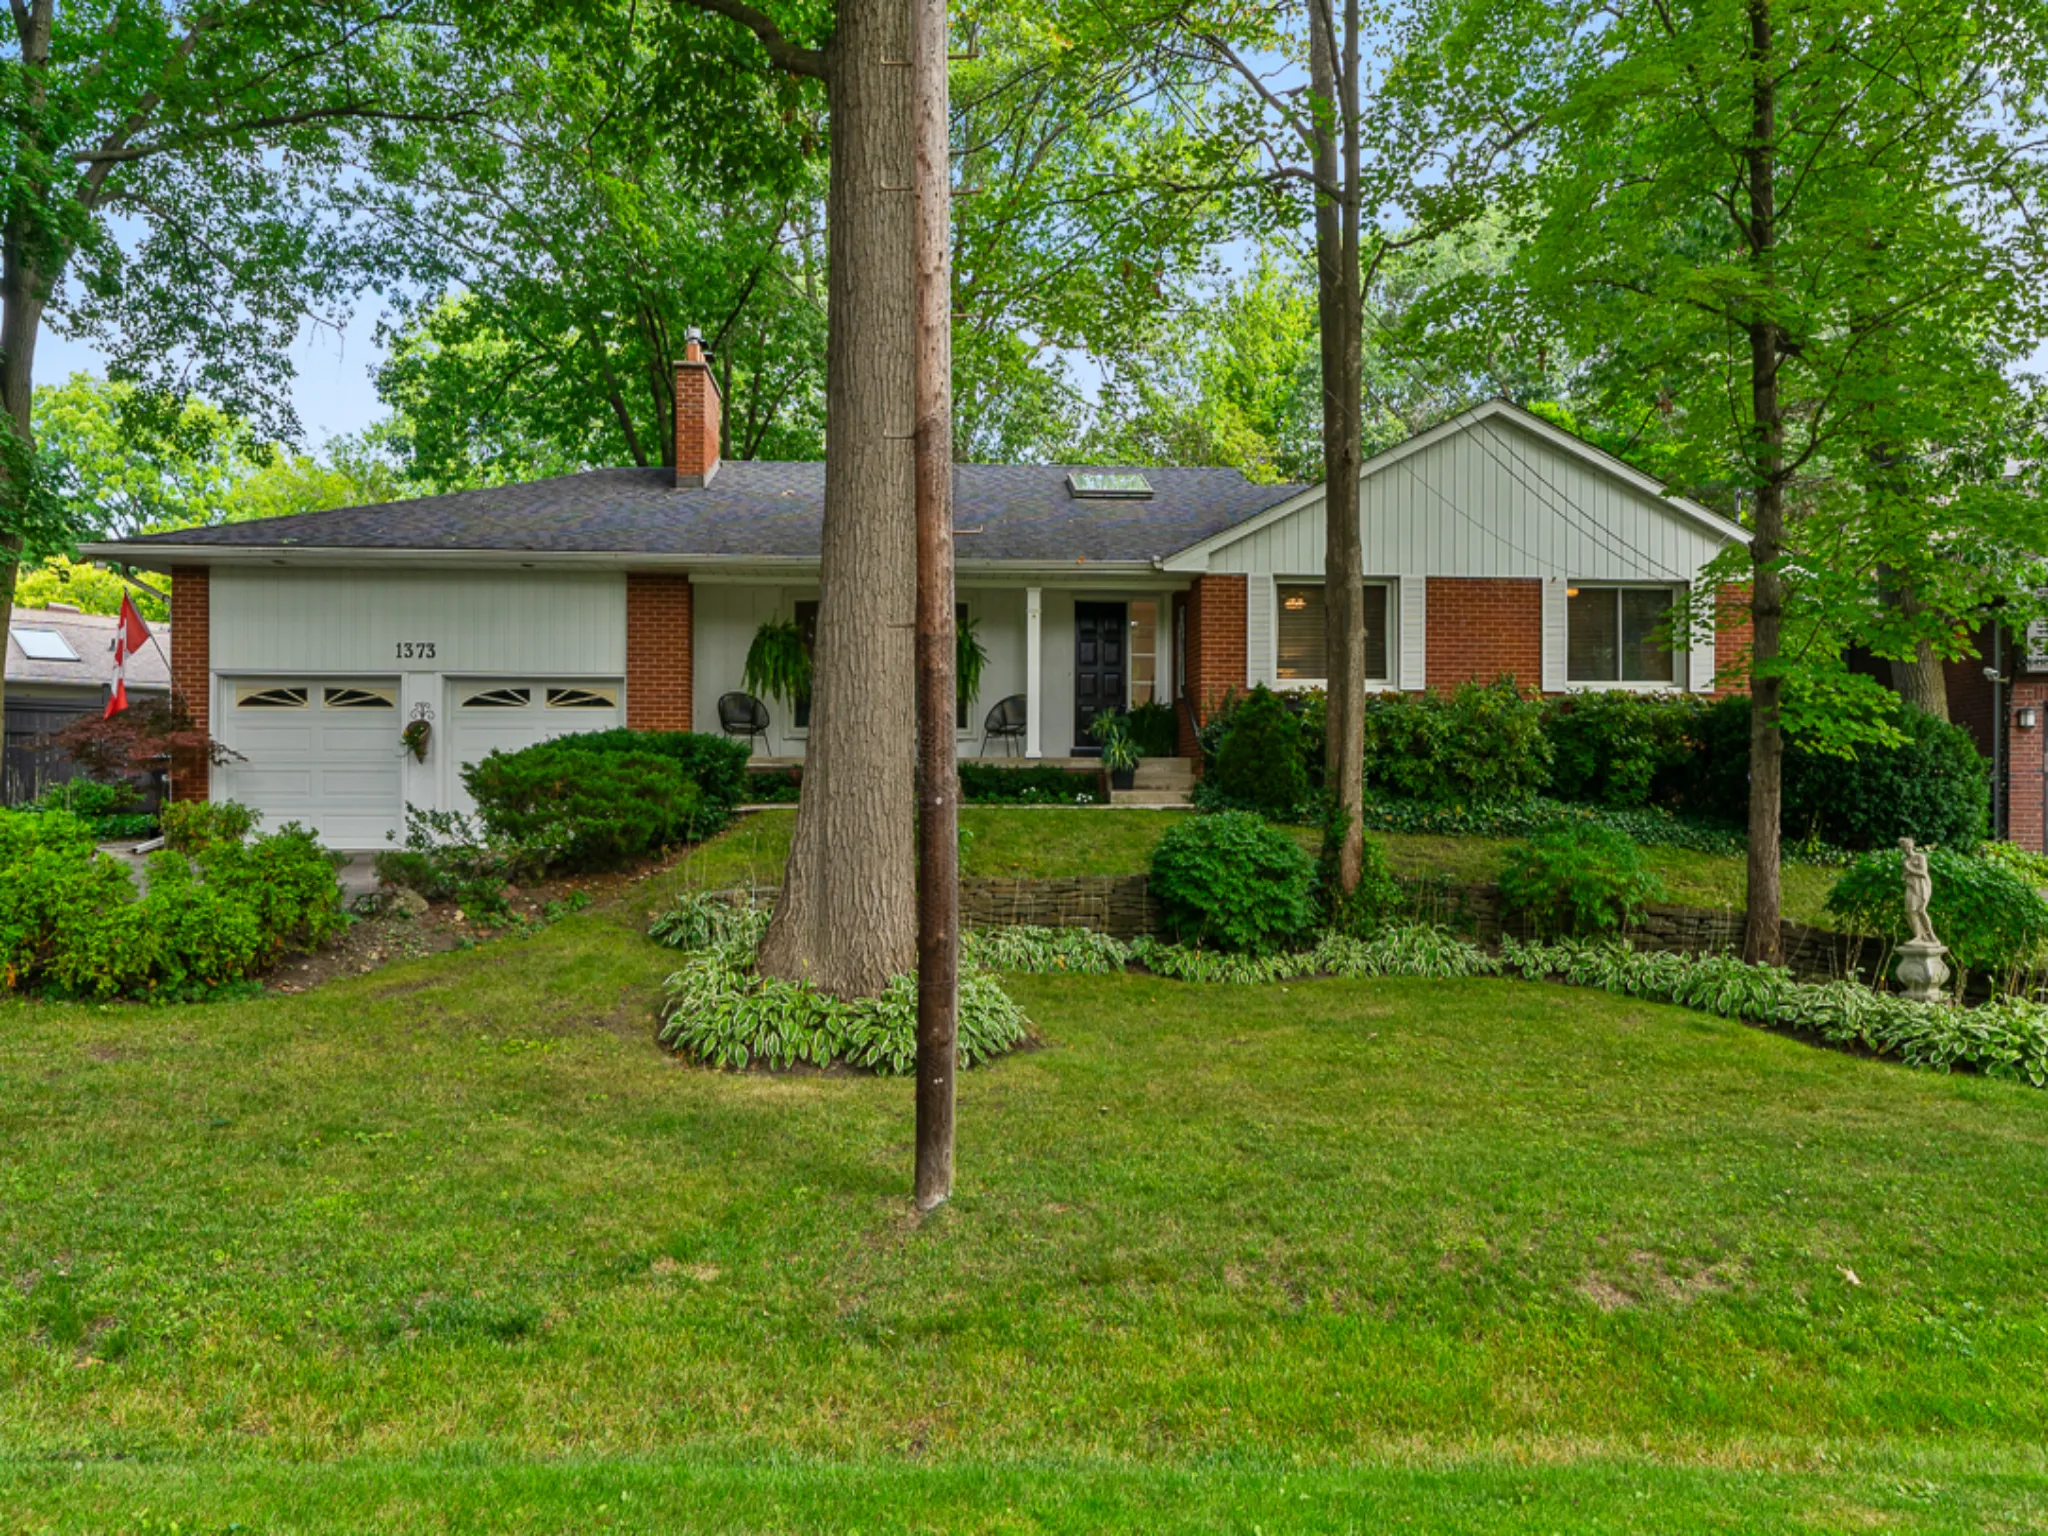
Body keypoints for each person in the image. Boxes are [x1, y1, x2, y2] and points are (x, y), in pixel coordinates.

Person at [1900, 837, 1939, 946]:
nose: (1905, 849)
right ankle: (1918, 936)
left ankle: (1931, 935)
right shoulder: (1905, 861)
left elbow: (1923, 872)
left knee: (1921, 910)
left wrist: (1909, 868)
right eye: (1903, 847)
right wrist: (1905, 874)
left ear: (1911, 846)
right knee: (1910, 911)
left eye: (1907, 847)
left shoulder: (1920, 857)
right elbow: (1904, 876)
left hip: (1922, 886)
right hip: (1911, 886)